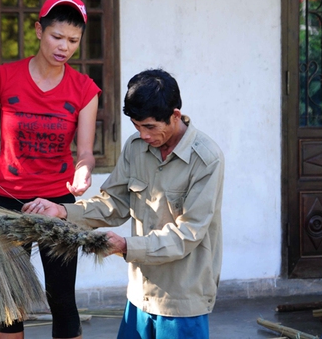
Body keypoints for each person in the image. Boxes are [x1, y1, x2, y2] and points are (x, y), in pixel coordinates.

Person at [23, 69, 225, 339]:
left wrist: (126, 246)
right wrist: (62, 211)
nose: (143, 135)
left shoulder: (207, 159)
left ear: (175, 115)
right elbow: (115, 203)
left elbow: (188, 233)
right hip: (139, 294)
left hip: (182, 299)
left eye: (150, 127)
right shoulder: (135, 147)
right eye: (136, 126)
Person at [0, 0, 101, 339]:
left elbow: (85, 152)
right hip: (8, 202)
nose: (65, 47)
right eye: (57, 37)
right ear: (38, 30)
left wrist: (83, 171)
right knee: (8, 303)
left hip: (57, 206)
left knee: (61, 298)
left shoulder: (84, 90)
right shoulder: (3, 79)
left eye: (73, 41)